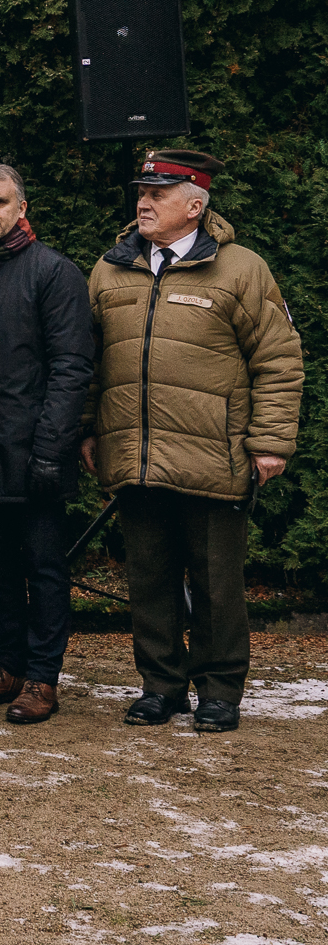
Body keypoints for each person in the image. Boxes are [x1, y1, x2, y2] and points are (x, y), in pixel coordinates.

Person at [85, 150, 302, 734]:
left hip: (215, 455)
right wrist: (89, 429)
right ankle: (160, 686)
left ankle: (219, 690)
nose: (144, 202)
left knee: (217, 585)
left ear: (195, 204)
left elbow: (279, 362)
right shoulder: (109, 269)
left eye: (159, 193)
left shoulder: (241, 270)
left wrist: (271, 442)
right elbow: (90, 362)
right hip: (136, 454)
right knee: (148, 580)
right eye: (142, 192)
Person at [0, 165, 95, 725]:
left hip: (34, 452)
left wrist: (51, 450)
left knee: (45, 568)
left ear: (20, 206)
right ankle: (7, 665)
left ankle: (41, 678)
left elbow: (71, 367)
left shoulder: (54, 273)